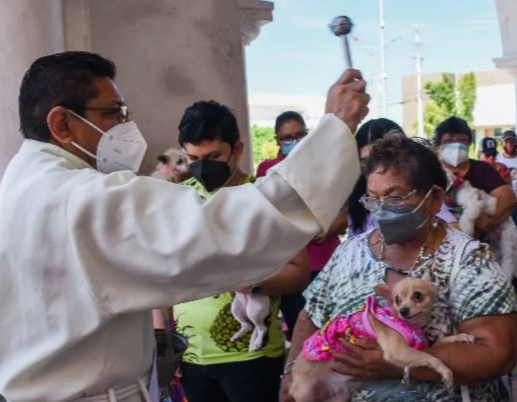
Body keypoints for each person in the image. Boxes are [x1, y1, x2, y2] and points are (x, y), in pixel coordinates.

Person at [0, 52, 369, 401]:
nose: (126, 126)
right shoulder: (81, 199)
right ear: (62, 124)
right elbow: (225, 230)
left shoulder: (17, 189)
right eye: (114, 113)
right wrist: (335, 129)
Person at [282, 134, 517, 402]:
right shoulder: (349, 253)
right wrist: (290, 376)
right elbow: (311, 317)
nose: (382, 210)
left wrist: (401, 363)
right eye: (373, 199)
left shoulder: (468, 260)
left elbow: (498, 353)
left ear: (435, 199)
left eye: (395, 197)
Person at [169, 101, 311, 402]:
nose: (202, 166)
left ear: (238, 148)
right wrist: (165, 341)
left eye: (214, 156)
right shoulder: (178, 200)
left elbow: (299, 272)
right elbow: (162, 272)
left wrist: (249, 282)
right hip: (193, 355)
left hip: (252, 358)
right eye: (193, 157)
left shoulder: (266, 198)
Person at [256, 111, 348, 337]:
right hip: (290, 265)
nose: (294, 141)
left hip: (327, 261)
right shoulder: (267, 171)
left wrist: (328, 227)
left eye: (300, 135)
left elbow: (347, 211)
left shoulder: (325, 165)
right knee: (300, 331)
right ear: (277, 140)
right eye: (287, 138)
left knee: (333, 331)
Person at [347, 119, 458, 237]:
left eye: (395, 197)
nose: (373, 168)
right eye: (365, 161)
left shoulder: (421, 200)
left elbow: (453, 234)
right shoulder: (358, 201)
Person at [435, 117, 517, 236]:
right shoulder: (431, 171)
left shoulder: (482, 169)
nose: (456, 146)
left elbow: (509, 198)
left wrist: (488, 222)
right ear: (438, 146)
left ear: (469, 144)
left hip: (479, 246)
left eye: (462, 140)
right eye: (448, 141)